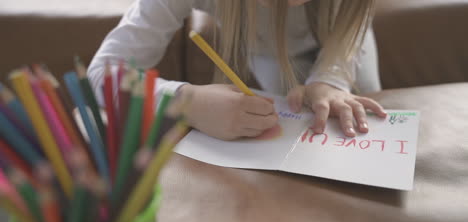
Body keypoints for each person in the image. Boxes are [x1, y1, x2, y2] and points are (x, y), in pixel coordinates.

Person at [88, 0, 387, 141]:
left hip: (345, 44)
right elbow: (104, 73)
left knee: (358, 121)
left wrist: (330, 78)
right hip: (264, 52)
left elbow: (352, 29)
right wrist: (183, 100)